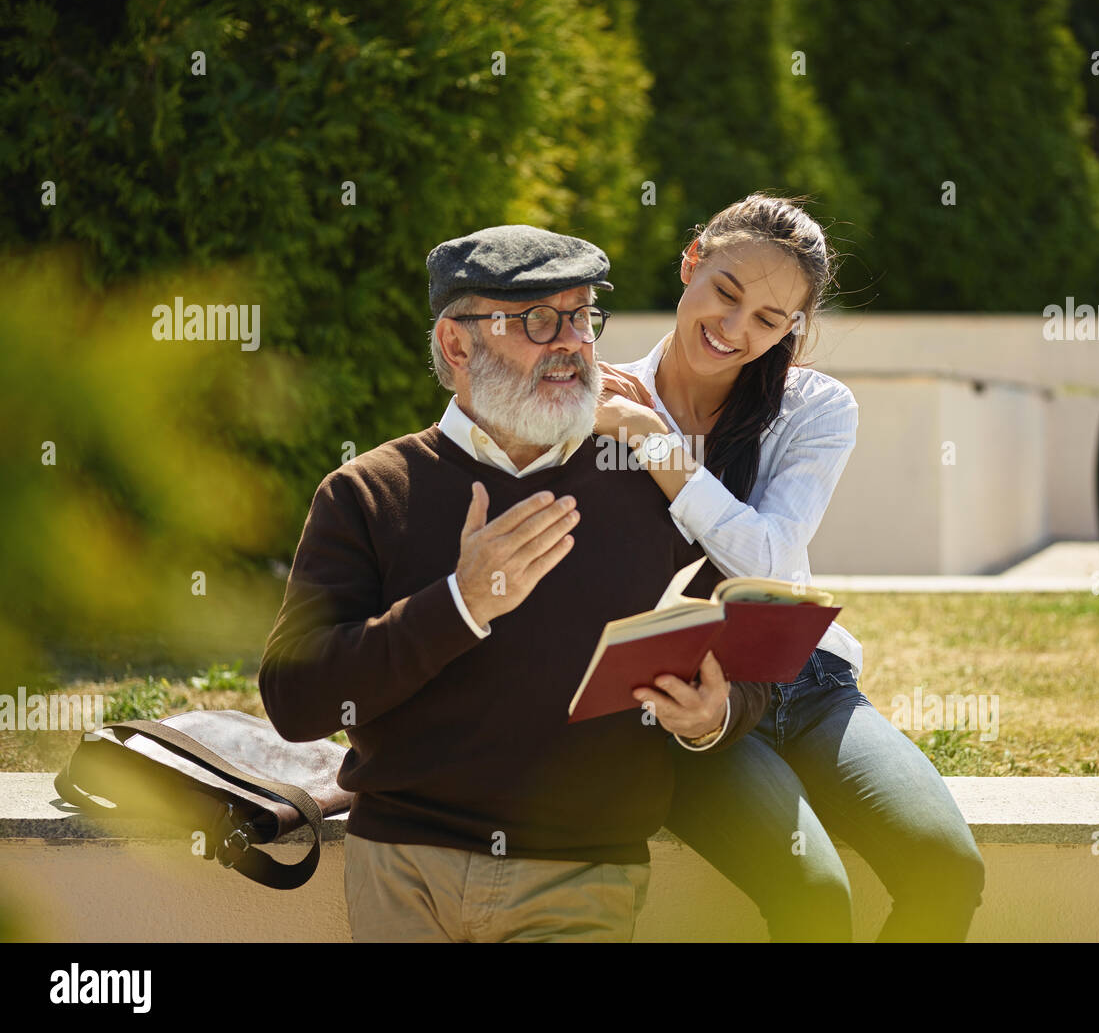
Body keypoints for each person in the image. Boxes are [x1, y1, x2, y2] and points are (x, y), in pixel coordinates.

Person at [258, 224, 769, 942]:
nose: (571, 342)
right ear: (457, 345)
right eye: (537, 320)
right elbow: (295, 700)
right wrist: (459, 605)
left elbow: (748, 659)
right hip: (403, 868)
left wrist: (714, 716)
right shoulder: (368, 493)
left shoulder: (655, 482)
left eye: (583, 316)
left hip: (581, 874)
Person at [594, 194, 986, 942]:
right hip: (685, 702)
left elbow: (772, 556)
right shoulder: (599, 398)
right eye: (725, 294)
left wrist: (655, 444)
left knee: (947, 867)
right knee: (812, 891)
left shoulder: (812, 408)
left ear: (793, 328)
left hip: (808, 685)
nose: (735, 330)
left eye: (770, 321)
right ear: (692, 262)